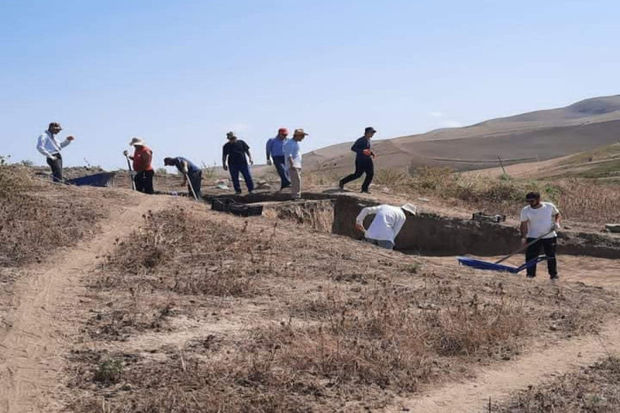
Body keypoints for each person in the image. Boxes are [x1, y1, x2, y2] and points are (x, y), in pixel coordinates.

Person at [519, 192, 561, 280]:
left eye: (532, 201)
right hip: (533, 237)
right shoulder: (525, 210)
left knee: (551, 256)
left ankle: (553, 275)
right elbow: (523, 225)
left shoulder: (549, 206)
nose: (530, 203)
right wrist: (523, 237)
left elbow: (557, 214)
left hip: (549, 236)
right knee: (531, 257)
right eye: (528, 201)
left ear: (538, 199)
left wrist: (557, 223)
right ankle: (530, 275)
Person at [339, 126, 376, 193]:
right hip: (361, 160)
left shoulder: (369, 140)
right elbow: (353, 148)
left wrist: (371, 153)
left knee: (370, 174)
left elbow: (366, 150)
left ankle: (364, 189)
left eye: (373, 132)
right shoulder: (361, 140)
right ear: (367, 133)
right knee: (357, 175)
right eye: (372, 132)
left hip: (368, 159)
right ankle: (342, 181)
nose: (373, 134)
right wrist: (362, 151)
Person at [283, 128, 307, 200]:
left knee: (297, 180)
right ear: (297, 135)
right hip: (293, 165)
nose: (303, 138)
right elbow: (289, 155)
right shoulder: (290, 143)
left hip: (297, 164)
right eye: (302, 136)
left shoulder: (295, 143)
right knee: (296, 181)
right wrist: (292, 164)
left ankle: (297, 196)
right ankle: (295, 196)